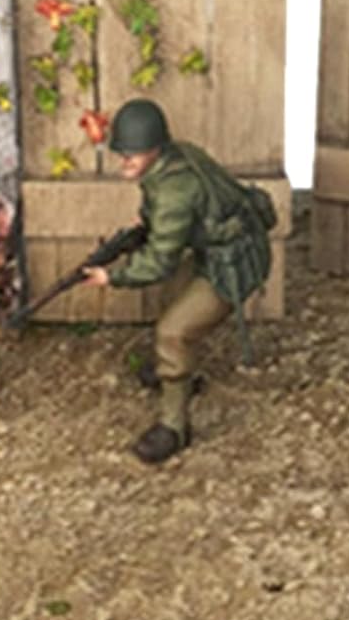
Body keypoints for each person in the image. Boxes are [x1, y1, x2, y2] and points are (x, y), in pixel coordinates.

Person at [81, 99, 275, 465]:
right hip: (215, 251)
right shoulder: (174, 159)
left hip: (233, 265)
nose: (124, 161)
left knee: (172, 331)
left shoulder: (175, 191)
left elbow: (158, 262)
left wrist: (112, 275)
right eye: (122, 153)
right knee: (173, 298)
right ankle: (178, 374)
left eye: (132, 155)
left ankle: (174, 427)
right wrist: (144, 228)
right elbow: (168, 218)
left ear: (154, 149)